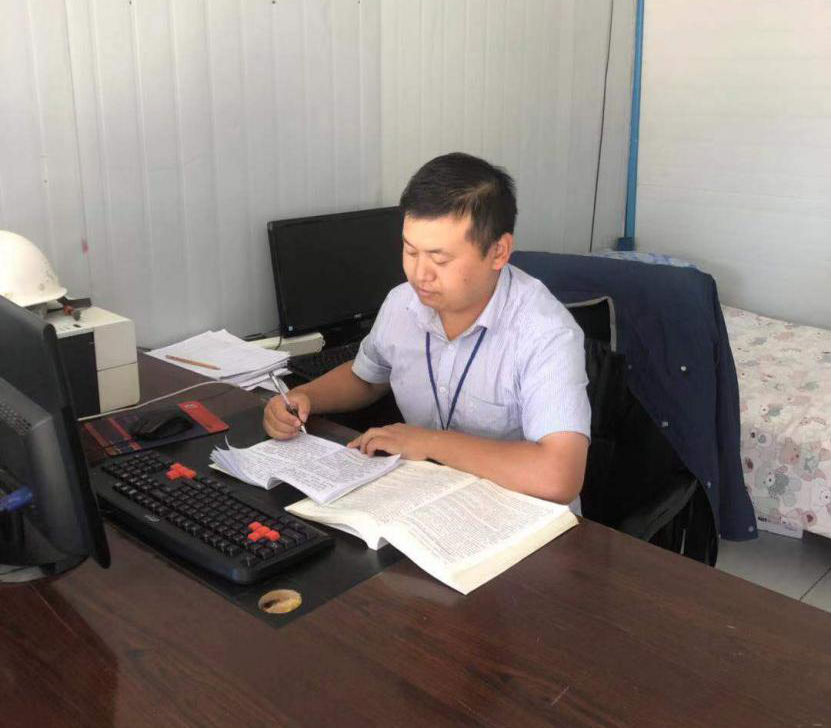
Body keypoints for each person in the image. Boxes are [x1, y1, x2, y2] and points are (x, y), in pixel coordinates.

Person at [263, 152, 590, 505]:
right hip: (426, 499)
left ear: (499, 252)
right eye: (410, 251)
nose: (420, 274)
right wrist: (304, 398)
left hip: (519, 515)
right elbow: (367, 378)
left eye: (439, 258)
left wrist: (429, 443)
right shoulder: (402, 303)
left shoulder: (545, 332)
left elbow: (559, 475)